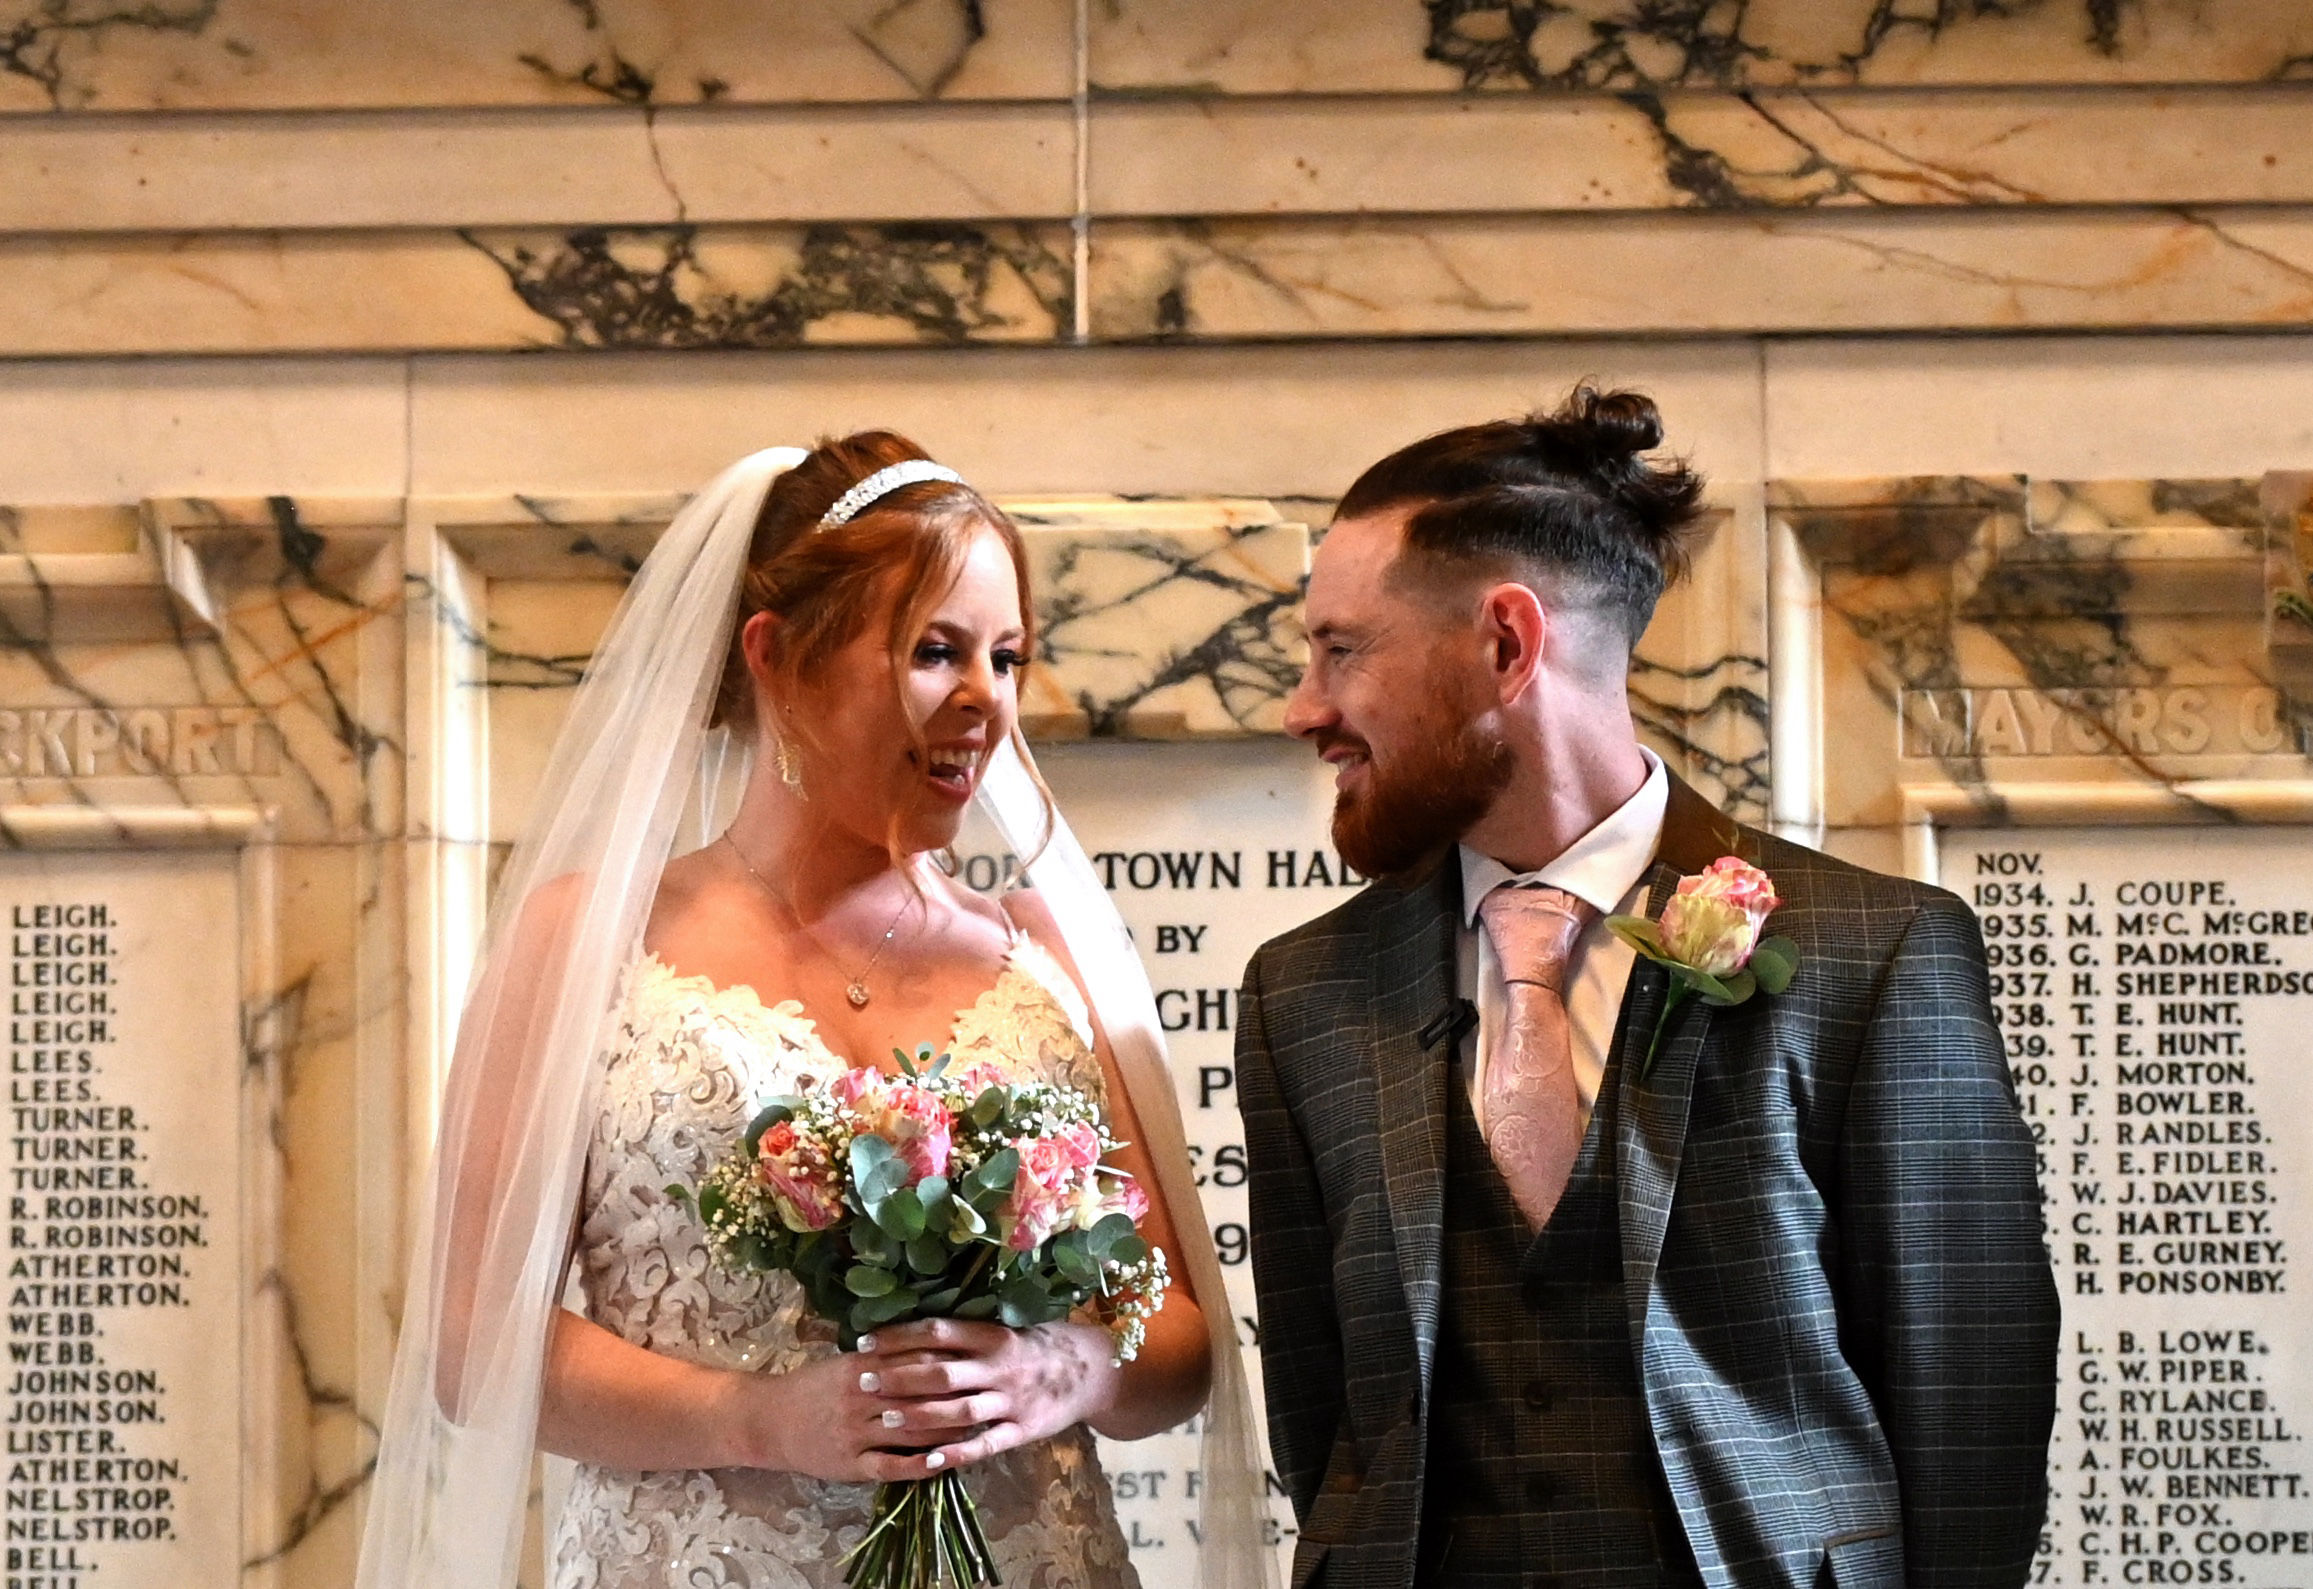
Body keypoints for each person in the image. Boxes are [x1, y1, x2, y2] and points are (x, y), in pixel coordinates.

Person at [358, 435, 1273, 1589]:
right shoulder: (585, 938)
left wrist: (1064, 1369)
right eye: (937, 651)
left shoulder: (1045, 953)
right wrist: (754, 1418)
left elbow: (1178, 1340)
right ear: (779, 655)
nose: (988, 699)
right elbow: (471, 1344)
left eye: (1007, 655)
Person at [1234, 387, 2058, 1588]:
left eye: (1342, 649)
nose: (1306, 706)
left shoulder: (1874, 954)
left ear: (1506, 644)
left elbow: (1968, 1395)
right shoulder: (1304, 993)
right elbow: (1328, 1426)